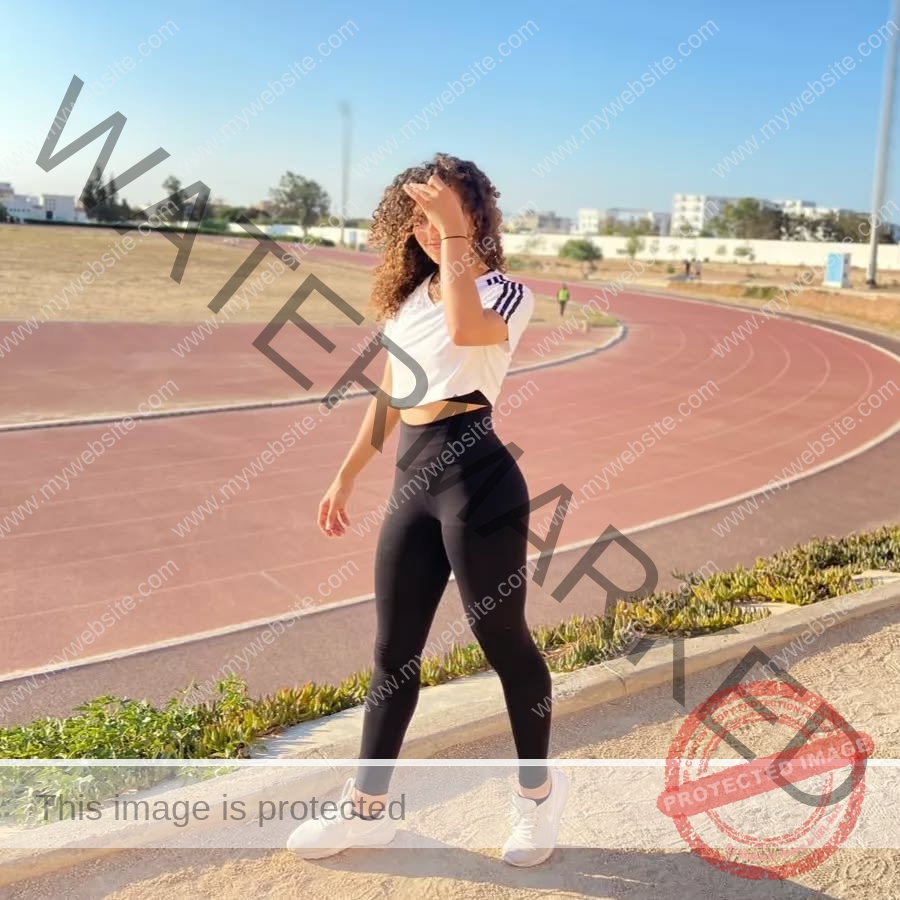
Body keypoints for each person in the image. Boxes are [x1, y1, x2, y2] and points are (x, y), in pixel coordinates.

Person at [287, 154, 567, 865]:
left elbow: (471, 332)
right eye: (418, 214)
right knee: (391, 654)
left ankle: (537, 799)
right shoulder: (408, 303)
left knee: (504, 643)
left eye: (445, 209)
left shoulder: (504, 292)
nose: (429, 225)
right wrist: (347, 475)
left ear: (478, 216)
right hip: (412, 481)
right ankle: (367, 809)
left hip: (479, 480)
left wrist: (452, 241)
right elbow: (391, 395)